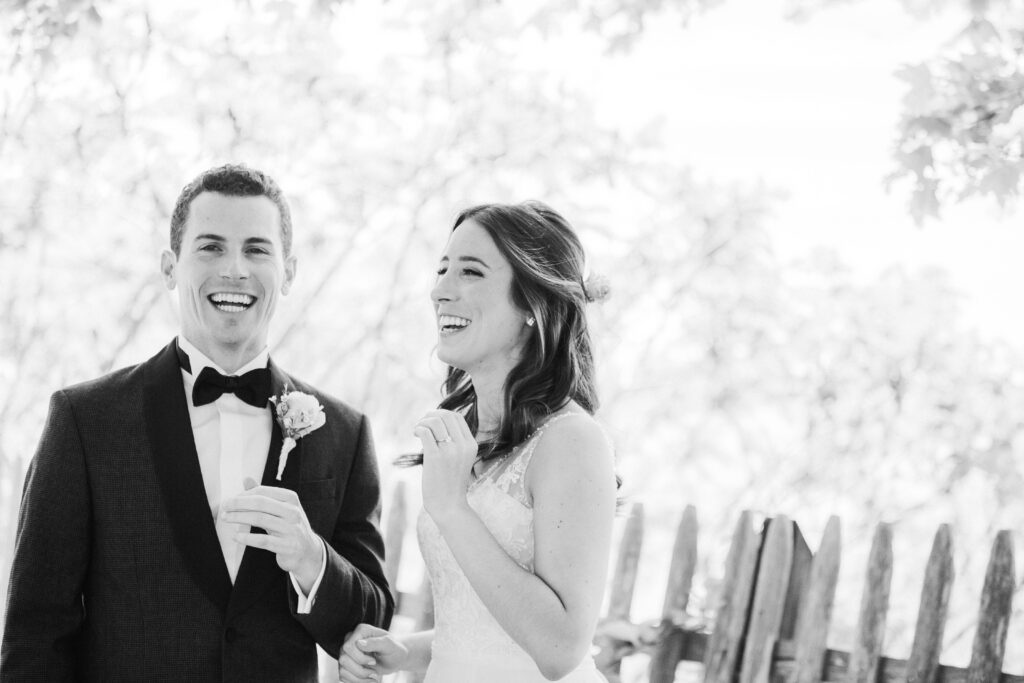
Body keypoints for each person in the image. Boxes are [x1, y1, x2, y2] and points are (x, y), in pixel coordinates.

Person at [1, 164, 393, 682]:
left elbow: (372, 624)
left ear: (290, 272)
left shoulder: (342, 432)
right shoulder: (85, 421)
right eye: (211, 247)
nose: (235, 269)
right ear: (170, 267)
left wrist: (311, 558)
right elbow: (35, 632)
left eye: (257, 249)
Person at [338, 201, 617, 682]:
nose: (440, 290)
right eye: (442, 270)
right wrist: (406, 652)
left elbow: (559, 648)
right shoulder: (467, 433)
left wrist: (452, 509)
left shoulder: (572, 441)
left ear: (532, 303)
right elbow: (485, 629)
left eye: (470, 272)